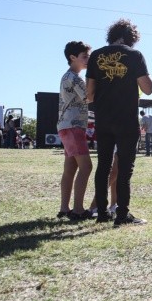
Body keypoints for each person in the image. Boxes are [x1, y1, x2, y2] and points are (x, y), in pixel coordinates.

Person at [86, 19, 152, 226]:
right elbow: (148, 88)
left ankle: (102, 214)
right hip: (126, 120)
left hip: (103, 119)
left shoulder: (96, 55)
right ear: (131, 37)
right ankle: (122, 214)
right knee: (125, 168)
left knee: (103, 166)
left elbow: (89, 94)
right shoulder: (134, 56)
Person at [57, 41, 94, 221]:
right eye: (85, 57)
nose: (88, 60)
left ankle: (64, 208)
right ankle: (78, 210)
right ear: (73, 58)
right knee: (86, 166)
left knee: (70, 168)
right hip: (74, 126)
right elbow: (89, 96)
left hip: (65, 126)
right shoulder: (74, 78)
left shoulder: (67, 76)